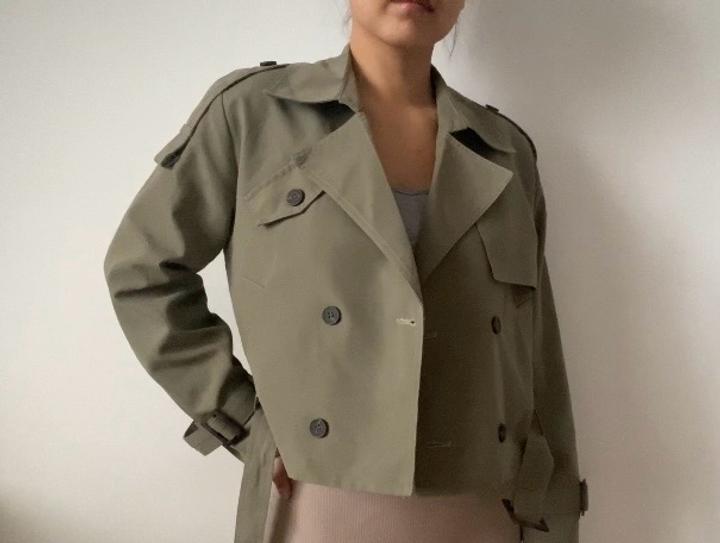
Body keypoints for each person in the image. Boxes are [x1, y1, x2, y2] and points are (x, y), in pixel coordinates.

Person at [103, 1, 589, 542]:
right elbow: (143, 270)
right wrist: (242, 419)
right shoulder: (252, 114)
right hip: (315, 497)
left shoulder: (505, 151)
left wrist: (555, 513)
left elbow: (536, 355)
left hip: (483, 507)